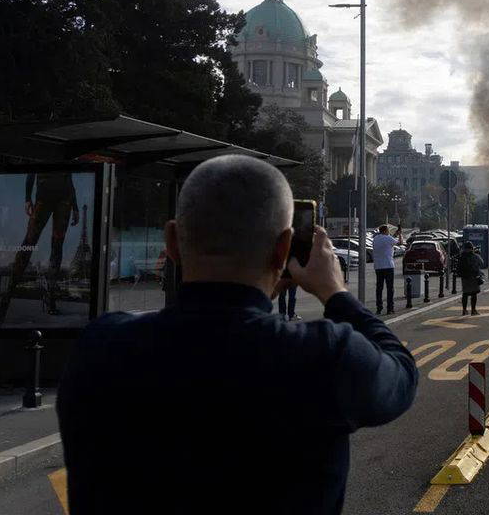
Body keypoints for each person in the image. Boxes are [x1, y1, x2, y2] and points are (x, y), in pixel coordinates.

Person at [56, 155, 417, 515]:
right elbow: (400, 374)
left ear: (172, 242)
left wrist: (259, 288)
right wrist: (335, 293)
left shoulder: (99, 350)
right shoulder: (323, 357)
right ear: (283, 249)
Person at [0, 171, 80, 325]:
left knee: (51, 247)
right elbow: (36, 171)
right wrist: (27, 197)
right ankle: (6, 300)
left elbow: (68, 178)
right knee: (33, 244)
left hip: (61, 197)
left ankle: (47, 299)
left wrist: (76, 206)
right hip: (51, 196)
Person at [372, 223, 403, 315]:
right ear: (385, 231)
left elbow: (388, 240)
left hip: (378, 266)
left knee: (379, 288)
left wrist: (395, 234)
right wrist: (400, 234)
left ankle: (379, 307)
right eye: (388, 230)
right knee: (390, 288)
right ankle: (390, 308)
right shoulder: (388, 238)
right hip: (388, 266)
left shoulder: (375, 239)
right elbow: (400, 242)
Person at [456, 241, 484, 316]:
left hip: (465, 278)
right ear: (472, 248)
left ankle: (464, 310)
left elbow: (458, 267)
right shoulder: (475, 256)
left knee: (465, 294)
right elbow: (482, 263)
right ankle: (473, 310)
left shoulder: (461, 256)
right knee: (474, 294)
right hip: (474, 277)